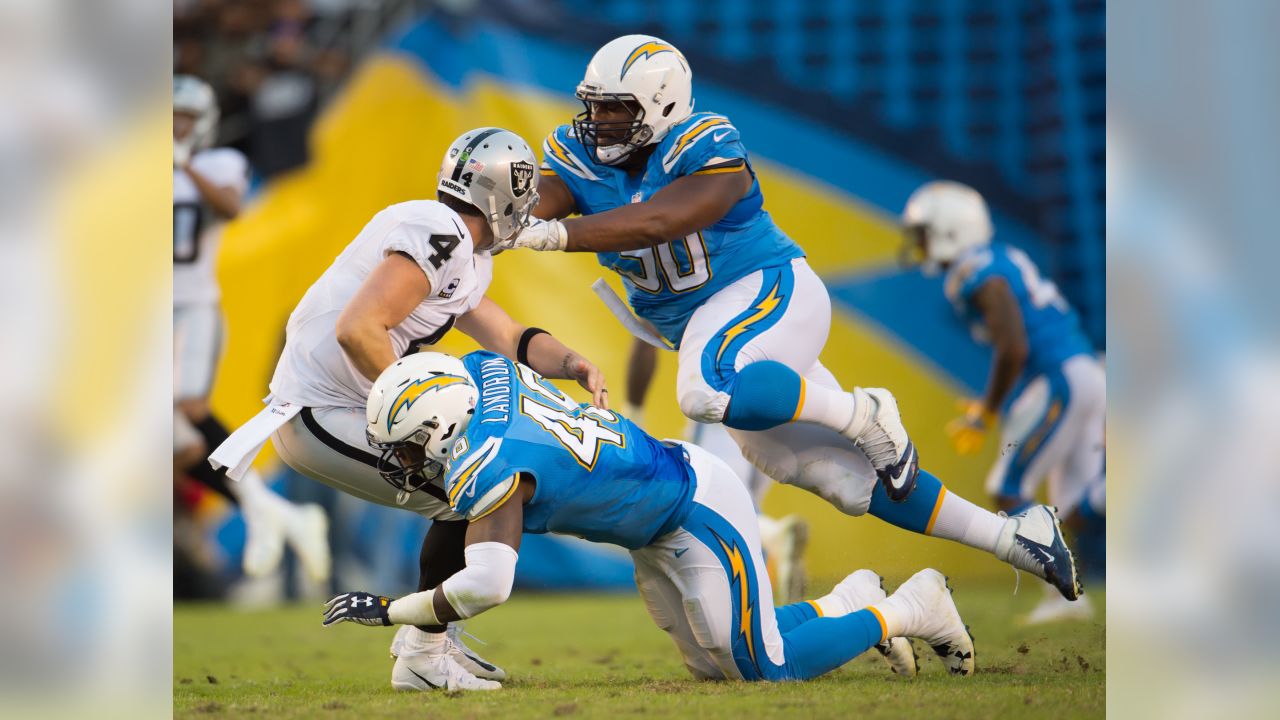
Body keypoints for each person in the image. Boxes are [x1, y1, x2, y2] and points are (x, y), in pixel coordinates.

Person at [498, 35, 1081, 601]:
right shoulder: (579, 156)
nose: (597, 120)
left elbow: (660, 220)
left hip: (769, 292)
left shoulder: (706, 143)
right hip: (715, 325)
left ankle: (864, 411)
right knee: (842, 479)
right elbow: (537, 201)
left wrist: (552, 235)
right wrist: (500, 219)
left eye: (615, 108)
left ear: (661, 105)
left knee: (706, 390)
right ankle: (1015, 537)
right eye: (593, 104)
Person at [210, 127, 607, 691]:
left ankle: (429, 643)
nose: (529, 211)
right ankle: (422, 651)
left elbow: (508, 334)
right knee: (471, 496)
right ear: (501, 197)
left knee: (472, 494)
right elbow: (359, 330)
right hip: (320, 410)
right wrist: (412, 409)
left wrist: (572, 362)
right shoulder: (437, 231)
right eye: (524, 197)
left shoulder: (461, 251)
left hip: (341, 406)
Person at [322, 351, 976, 689]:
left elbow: (489, 585)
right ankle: (852, 599)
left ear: (438, 425)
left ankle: (913, 607)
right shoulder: (480, 374)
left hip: (694, 507)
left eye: (405, 446)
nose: (403, 462)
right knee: (718, 666)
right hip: (652, 514)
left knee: (762, 670)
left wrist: (391, 611)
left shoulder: (487, 461)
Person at [902, 180, 1106, 623]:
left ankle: (1062, 598)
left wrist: (988, 409)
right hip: (1082, 370)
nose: (918, 244)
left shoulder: (978, 274)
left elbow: (1012, 347)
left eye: (923, 233)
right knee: (1077, 507)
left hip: (1060, 377)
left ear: (949, 230)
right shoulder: (998, 258)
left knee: (1008, 489)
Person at [173, 74, 330, 581]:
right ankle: (272, 511)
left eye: (187, 118)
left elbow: (230, 206)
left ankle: (267, 511)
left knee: (190, 411)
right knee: (177, 443)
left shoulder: (219, 163)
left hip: (191, 307)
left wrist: (182, 167)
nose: (176, 126)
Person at [625, 338, 810, 605]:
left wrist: (633, 413)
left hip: (724, 392)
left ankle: (775, 536)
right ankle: (770, 546)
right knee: (742, 502)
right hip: (782, 388)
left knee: (707, 498)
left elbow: (645, 337)